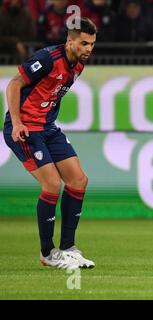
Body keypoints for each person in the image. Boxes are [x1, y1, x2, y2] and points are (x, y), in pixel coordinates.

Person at [2, 17, 97, 270]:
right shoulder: (47, 58)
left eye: (92, 44)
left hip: (48, 129)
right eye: (84, 43)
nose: (89, 49)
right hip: (24, 129)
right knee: (52, 184)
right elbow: (14, 84)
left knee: (78, 180)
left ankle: (68, 248)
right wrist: (18, 122)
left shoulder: (77, 67)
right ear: (70, 41)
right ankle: (47, 252)